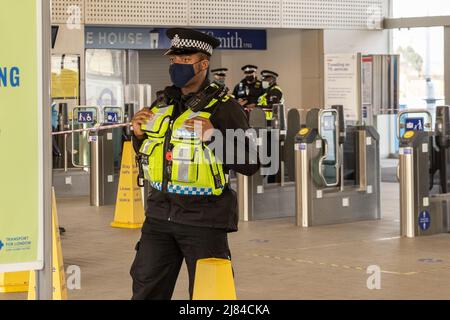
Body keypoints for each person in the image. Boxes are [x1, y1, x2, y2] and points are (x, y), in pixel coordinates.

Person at [129, 28, 260, 300]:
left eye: (185, 61)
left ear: (203, 65)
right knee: (145, 289)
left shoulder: (226, 108)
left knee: (208, 295)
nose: (177, 66)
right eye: (174, 61)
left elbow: (251, 162)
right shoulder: (162, 104)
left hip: (203, 220)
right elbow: (154, 152)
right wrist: (138, 135)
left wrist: (213, 136)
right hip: (158, 215)